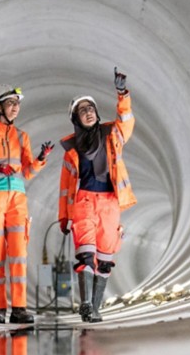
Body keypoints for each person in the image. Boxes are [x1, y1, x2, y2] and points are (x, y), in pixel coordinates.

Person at [0, 87, 54, 324]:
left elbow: (26, 172)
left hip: (17, 201)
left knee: (18, 255)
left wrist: (41, 159)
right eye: (11, 103)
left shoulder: (22, 137)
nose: (15, 107)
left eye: (17, 103)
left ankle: (19, 308)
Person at [58, 69, 135, 322]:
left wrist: (122, 93)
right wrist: (63, 217)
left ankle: (96, 308)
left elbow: (126, 120)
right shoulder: (71, 150)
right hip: (84, 202)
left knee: (104, 260)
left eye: (91, 108)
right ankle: (87, 305)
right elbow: (65, 186)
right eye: (83, 110)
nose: (89, 112)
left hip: (110, 203)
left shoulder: (112, 135)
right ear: (75, 118)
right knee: (85, 255)